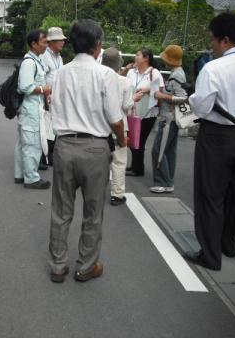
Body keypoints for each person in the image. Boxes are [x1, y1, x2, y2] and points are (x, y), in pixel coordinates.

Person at [48, 20, 126, 283]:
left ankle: (58, 265)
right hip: (94, 148)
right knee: (93, 211)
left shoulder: (59, 74)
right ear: (98, 46)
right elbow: (115, 118)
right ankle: (86, 266)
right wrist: (122, 138)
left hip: (64, 146)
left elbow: (53, 109)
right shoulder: (106, 75)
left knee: (61, 210)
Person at [186, 12, 235, 271]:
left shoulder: (214, 68)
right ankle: (229, 243)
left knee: (211, 195)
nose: (212, 46)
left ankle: (210, 254)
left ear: (225, 40)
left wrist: (192, 98)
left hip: (218, 136)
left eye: (213, 40)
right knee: (234, 195)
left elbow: (202, 106)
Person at [14, 29, 52, 189]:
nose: (46, 45)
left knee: (24, 143)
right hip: (31, 110)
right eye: (44, 42)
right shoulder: (30, 62)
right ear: (34, 44)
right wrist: (45, 89)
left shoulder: (35, 60)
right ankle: (31, 179)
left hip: (30, 109)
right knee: (32, 144)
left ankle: (20, 175)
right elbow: (25, 87)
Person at [150, 45, 188, 193]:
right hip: (171, 118)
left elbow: (183, 97)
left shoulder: (177, 75)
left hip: (169, 119)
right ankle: (168, 181)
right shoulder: (178, 73)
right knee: (169, 151)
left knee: (158, 150)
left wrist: (162, 96)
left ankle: (163, 182)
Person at [101, 48, 136, 206]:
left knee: (101, 161)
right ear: (119, 64)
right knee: (119, 161)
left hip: (100, 126)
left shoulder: (98, 77)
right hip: (119, 126)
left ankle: (97, 190)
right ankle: (117, 194)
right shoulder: (125, 82)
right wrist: (136, 98)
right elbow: (127, 105)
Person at [122, 48, 164, 177]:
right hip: (132, 111)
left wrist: (148, 89)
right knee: (133, 139)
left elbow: (160, 91)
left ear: (146, 58)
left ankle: (138, 169)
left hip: (147, 113)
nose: (135, 57)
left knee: (140, 141)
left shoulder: (154, 73)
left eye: (138, 55)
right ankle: (135, 165)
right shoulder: (132, 72)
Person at [40, 26, 66, 167]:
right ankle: (45, 155)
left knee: (53, 127)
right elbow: (41, 77)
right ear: (51, 42)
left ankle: (49, 154)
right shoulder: (45, 55)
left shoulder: (58, 56)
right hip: (46, 96)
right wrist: (47, 93)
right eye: (60, 40)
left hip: (56, 97)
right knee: (46, 127)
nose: (63, 42)